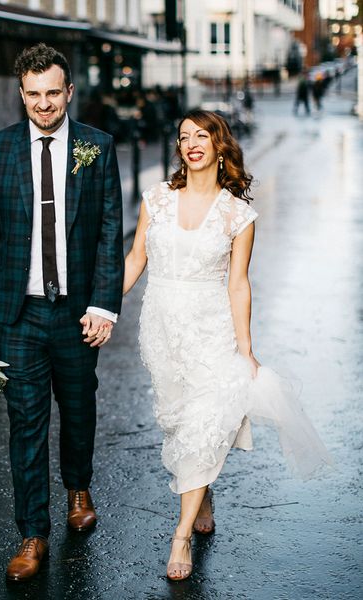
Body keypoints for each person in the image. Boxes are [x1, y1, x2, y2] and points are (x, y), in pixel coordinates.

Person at [123, 110, 332, 581]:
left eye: (202, 135)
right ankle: (203, 493)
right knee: (178, 423)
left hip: (211, 332)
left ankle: (180, 537)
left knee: (204, 422)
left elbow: (239, 284)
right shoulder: (156, 198)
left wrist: (246, 348)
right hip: (161, 329)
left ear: (220, 146)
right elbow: (136, 257)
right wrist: (104, 307)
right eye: (183, 136)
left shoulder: (238, 215)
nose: (191, 142)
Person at [0, 43, 124, 581]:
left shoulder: (97, 147)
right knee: (25, 424)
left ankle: (79, 487)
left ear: (69, 92)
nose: (44, 105)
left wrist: (104, 303)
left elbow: (106, 231)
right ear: (21, 93)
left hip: (77, 314)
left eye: (54, 93)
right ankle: (32, 533)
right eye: (34, 95)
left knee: (78, 411)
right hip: (17, 313)